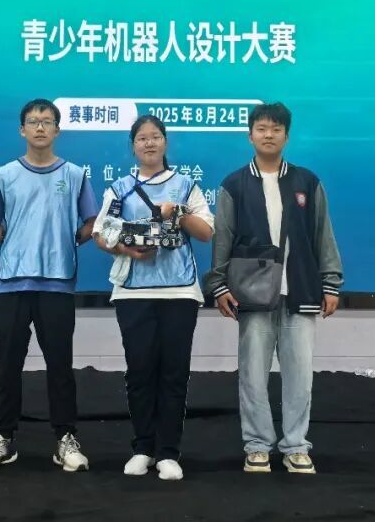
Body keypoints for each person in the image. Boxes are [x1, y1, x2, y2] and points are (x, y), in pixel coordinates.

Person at [204, 102, 343, 476]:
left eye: (276, 129)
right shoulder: (234, 184)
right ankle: (257, 446)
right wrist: (219, 285)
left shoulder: (306, 182)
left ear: (286, 135)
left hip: (300, 291)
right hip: (251, 295)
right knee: (252, 374)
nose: (269, 135)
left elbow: (323, 235)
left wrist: (331, 283)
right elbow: (223, 239)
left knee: (300, 375)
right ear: (250, 135)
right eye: (262, 129)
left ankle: (296, 446)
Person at [0, 98, 98, 473]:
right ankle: (2, 438)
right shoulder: (5, 174)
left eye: (47, 121)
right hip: (11, 283)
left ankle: (65, 439)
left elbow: (91, 223)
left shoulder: (75, 175)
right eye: (33, 121)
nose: (40, 127)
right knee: (7, 365)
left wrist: (63, 242)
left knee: (60, 365)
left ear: (58, 130)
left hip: (57, 283)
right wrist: (20, 244)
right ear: (22, 130)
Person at [92, 115, 214, 481]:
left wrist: (178, 212)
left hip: (180, 291)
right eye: (142, 138)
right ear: (133, 146)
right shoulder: (120, 188)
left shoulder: (186, 186)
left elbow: (206, 232)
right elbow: (101, 234)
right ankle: (143, 448)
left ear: (165, 142)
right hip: (133, 293)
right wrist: (127, 248)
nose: (149, 143)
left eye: (156, 137)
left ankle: (168, 453)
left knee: (174, 373)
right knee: (140, 371)